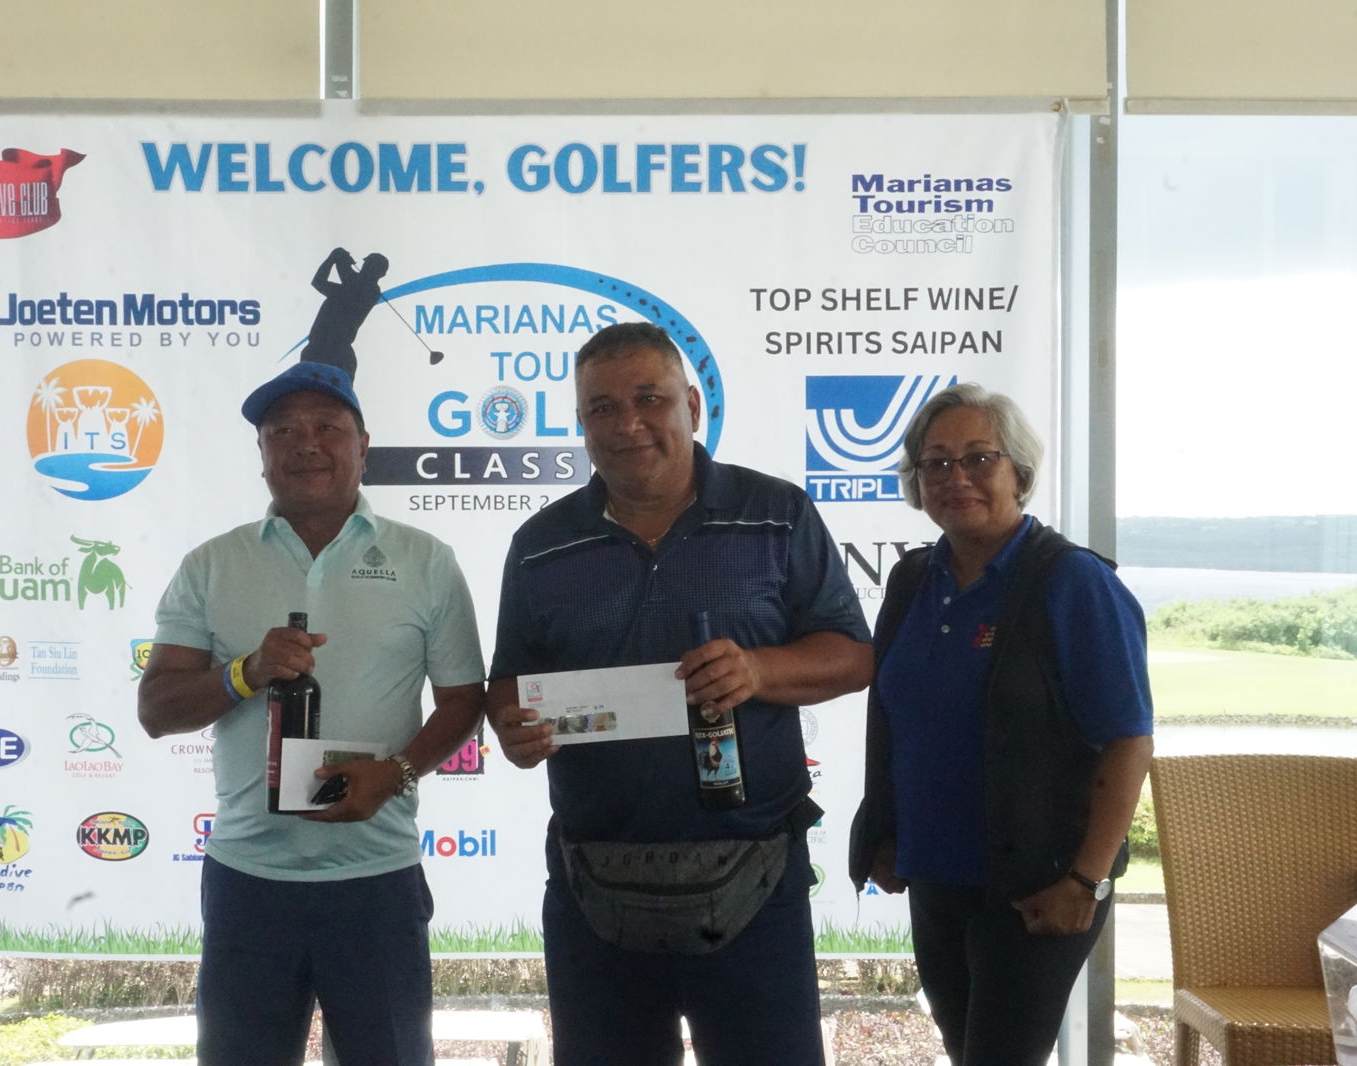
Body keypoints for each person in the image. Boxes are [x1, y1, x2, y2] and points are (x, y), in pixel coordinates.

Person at [488, 321, 873, 1066]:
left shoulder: (779, 513)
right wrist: (513, 722)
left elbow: (853, 656)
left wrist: (759, 672)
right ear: (580, 425)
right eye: (602, 407)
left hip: (755, 875)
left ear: (692, 406)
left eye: (649, 398)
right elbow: (512, 677)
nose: (627, 423)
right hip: (593, 879)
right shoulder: (539, 544)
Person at [137, 361, 485, 1066]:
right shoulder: (211, 565)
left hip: (376, 884)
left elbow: (465, 702)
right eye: (282, 431)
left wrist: (397, 771)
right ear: (261, 456)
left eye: (328, 427)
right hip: (249, 885)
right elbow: (156, 709)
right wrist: (246, 672)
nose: (306, 443)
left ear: (363, 446)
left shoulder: (426, 561)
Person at [847, 383, 1154, 1066]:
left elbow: (1129, 739)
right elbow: (898, 720)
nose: (956, 478)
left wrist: (1086, 881)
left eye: (978, 458)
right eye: (935, 463)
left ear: (1019, 470)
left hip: (1041, 887)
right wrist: (887, 832)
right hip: (936, 879)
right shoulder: (911, 580)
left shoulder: (1073, 583)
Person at [302, 247, 388, 381]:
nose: (365, 267)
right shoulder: (343, 290)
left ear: (379, 274)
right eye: (366, 264)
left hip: (336, 352)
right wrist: (334, 258)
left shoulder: (369, 291)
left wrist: (337, 257)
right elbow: (318, 282)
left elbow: (348, 277)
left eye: (369, 266)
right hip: (317, 348)